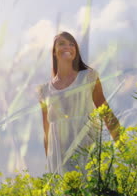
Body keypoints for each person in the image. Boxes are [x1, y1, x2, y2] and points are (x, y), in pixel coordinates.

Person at [37, 31, 120, 175]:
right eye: (61, 44)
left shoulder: (88, 77)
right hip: (60, 155)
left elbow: (106, 112)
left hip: (88, 146)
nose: (67, 47)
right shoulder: (44, 90)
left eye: (71, 44)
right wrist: (50, 163)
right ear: (54, 52)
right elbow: (47, 131)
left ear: (76, 51)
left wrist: (123, 145)